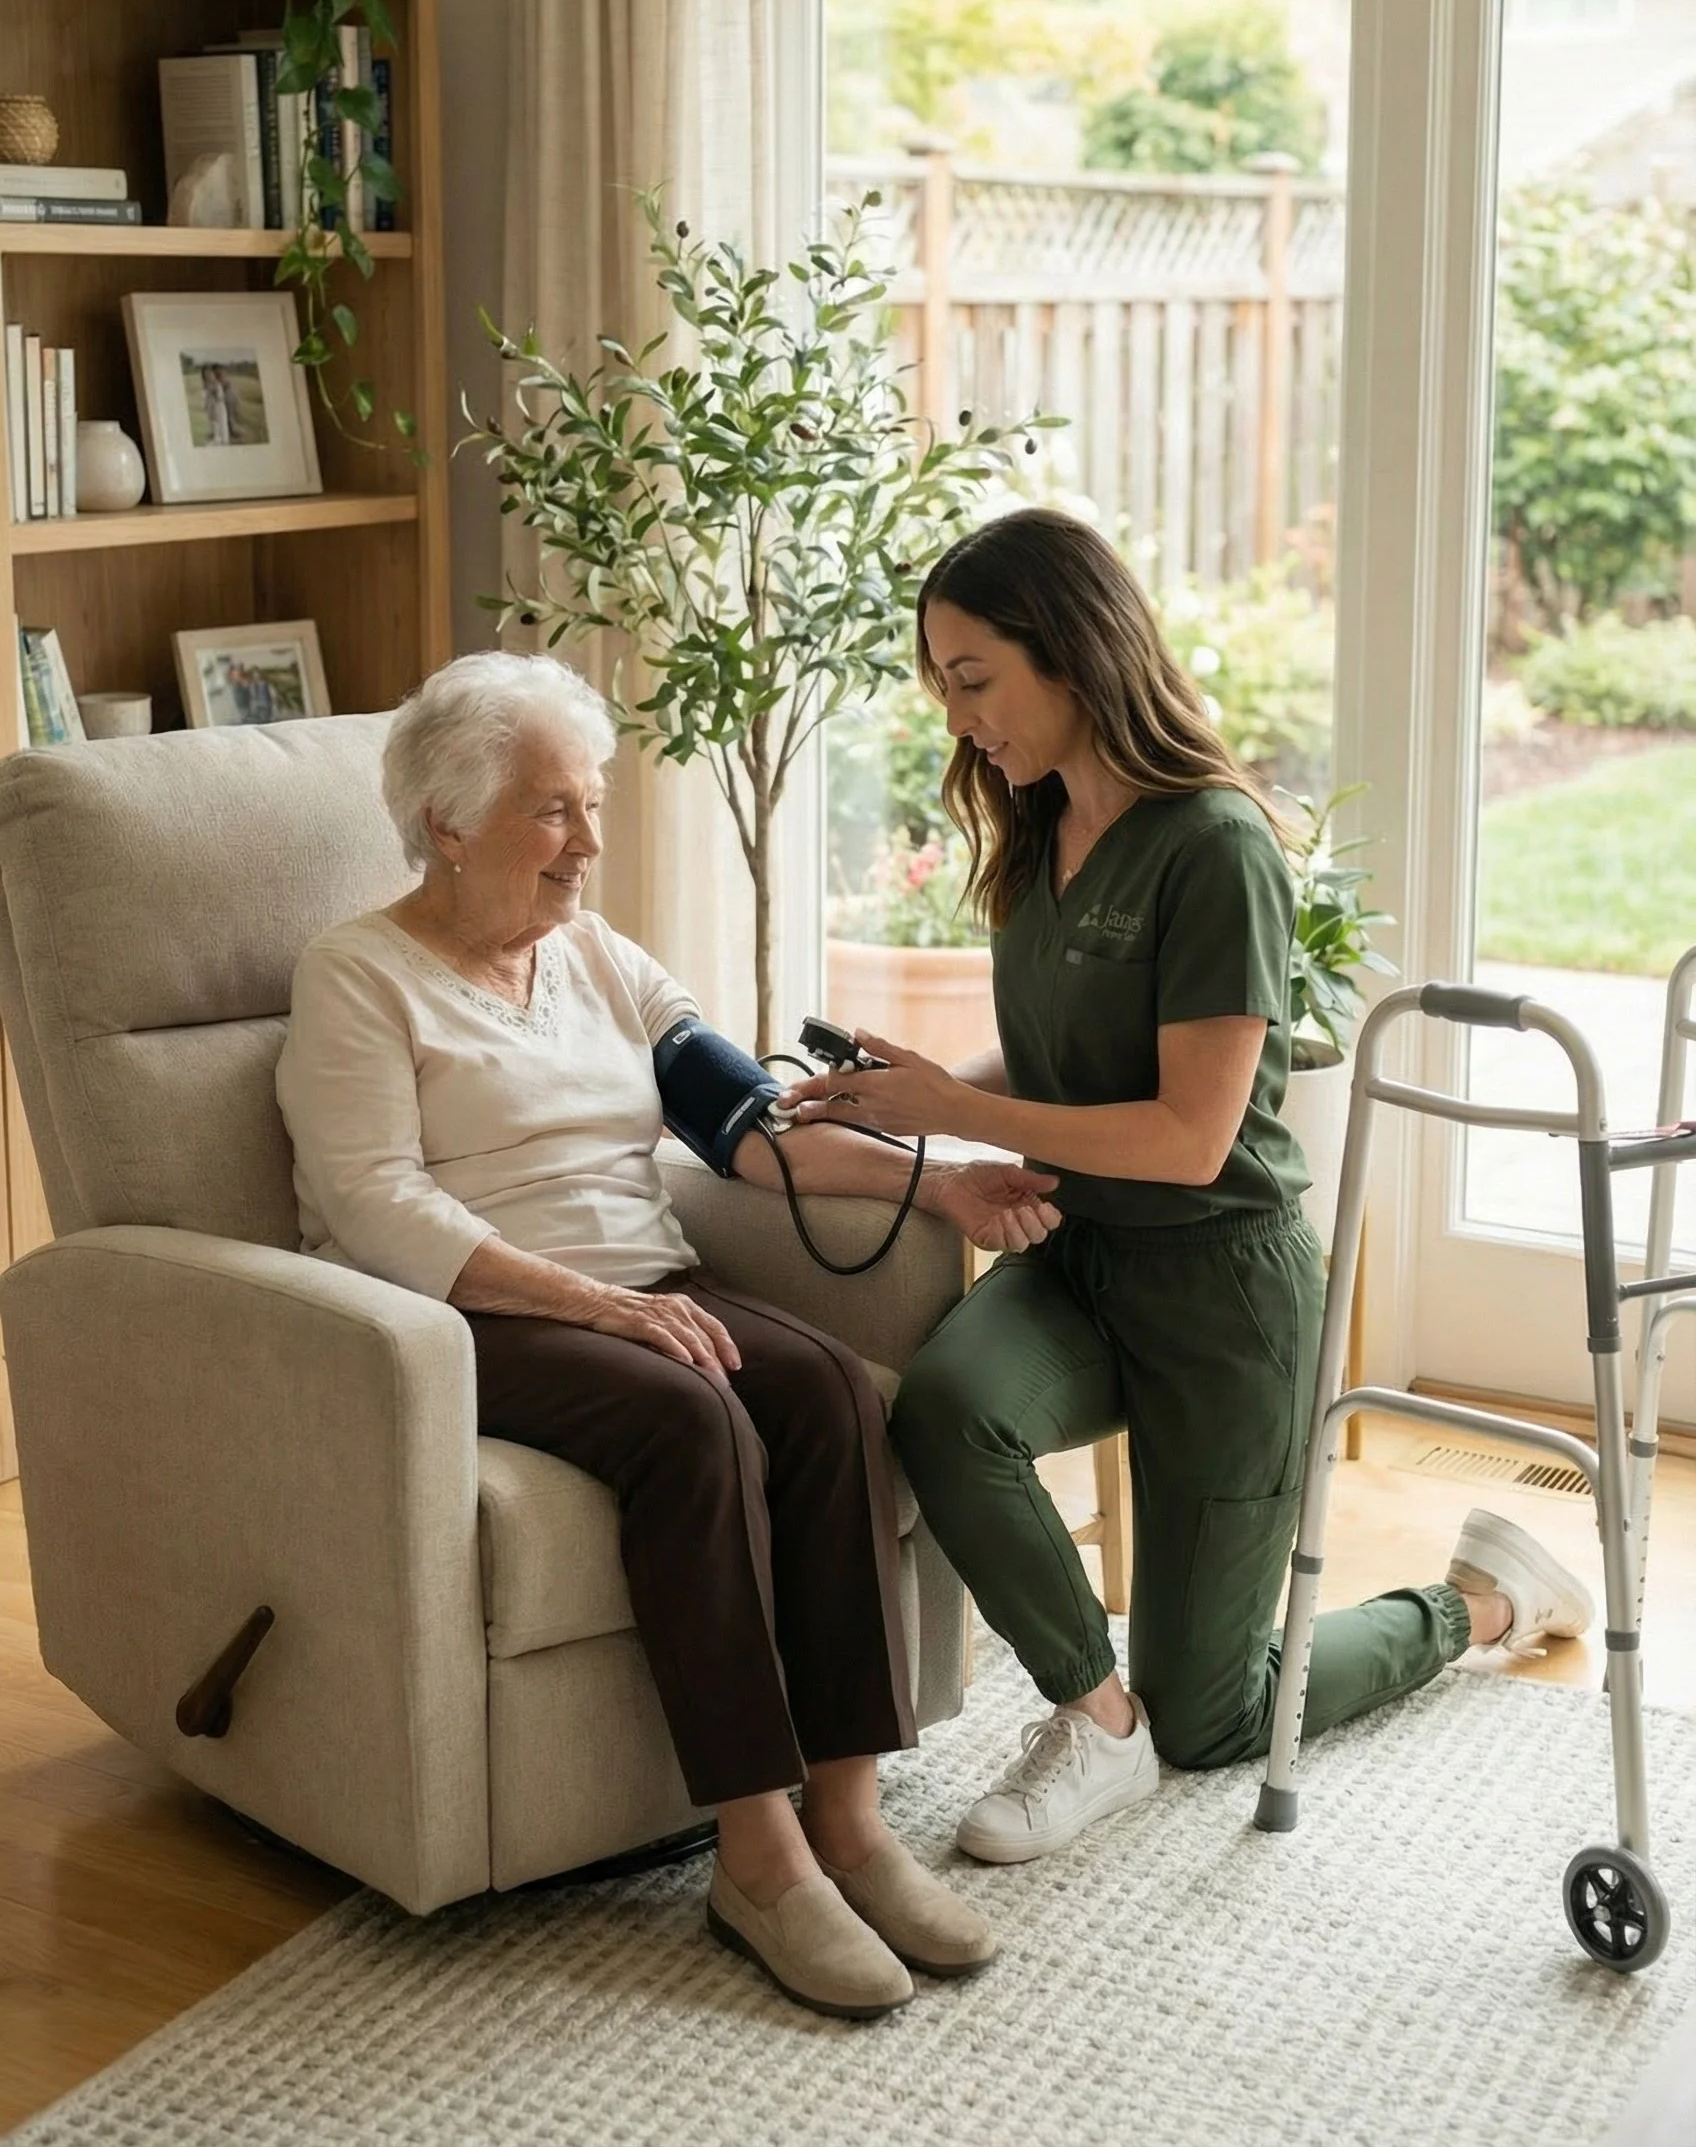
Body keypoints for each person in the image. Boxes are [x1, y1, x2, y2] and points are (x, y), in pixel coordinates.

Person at [783, 508, 1594, 1866]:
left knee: (1217, 1720)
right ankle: (1096, 1722)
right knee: (946, 1413)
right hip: (1082, 1265)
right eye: (943, 688)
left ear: (1072, 649)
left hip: (1225, 1295)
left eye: (975, 678)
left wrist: (956, 1112)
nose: (962, 718)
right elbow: (1063, 1052)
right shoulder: (1036, 835)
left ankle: (1484, 1602)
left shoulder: (1214, 843)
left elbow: (1191, 1136)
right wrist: (915, 1089)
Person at [275, 650, 1061, 2016]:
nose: (588, 842)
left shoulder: (598, 958)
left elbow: (753, 1136)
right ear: (449, 826)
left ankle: (850, 1824)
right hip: (461, 1314)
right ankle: (756, 1863)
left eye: (592, 804)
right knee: (687, 1417)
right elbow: (373, 1201)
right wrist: (592, 1303)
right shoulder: (358, 978)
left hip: (640, 1283)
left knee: (826, 1393)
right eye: (553, 811)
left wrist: (945, 1183)